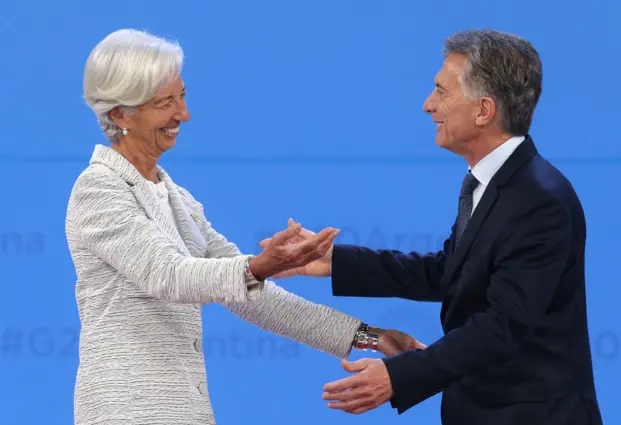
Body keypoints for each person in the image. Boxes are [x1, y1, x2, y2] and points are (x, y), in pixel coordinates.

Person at [66, 28, 425, 425]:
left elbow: (253, 296)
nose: (183, 114)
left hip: (184, 409)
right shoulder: (98, 189)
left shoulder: (176, 199)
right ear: (119, 113)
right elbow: (167, 275)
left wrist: (372, 337)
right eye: (165, 102)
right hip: (126, 411)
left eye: (182, 97)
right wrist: (256, 267)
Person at [264, 30, 603, 425]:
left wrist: (399, 376)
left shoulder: (539, 201)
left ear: (483, 110)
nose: (428, 106)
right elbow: (452, 273)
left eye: (441, 91)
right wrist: (335, 261)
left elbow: (502, 327)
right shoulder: (492, 183)